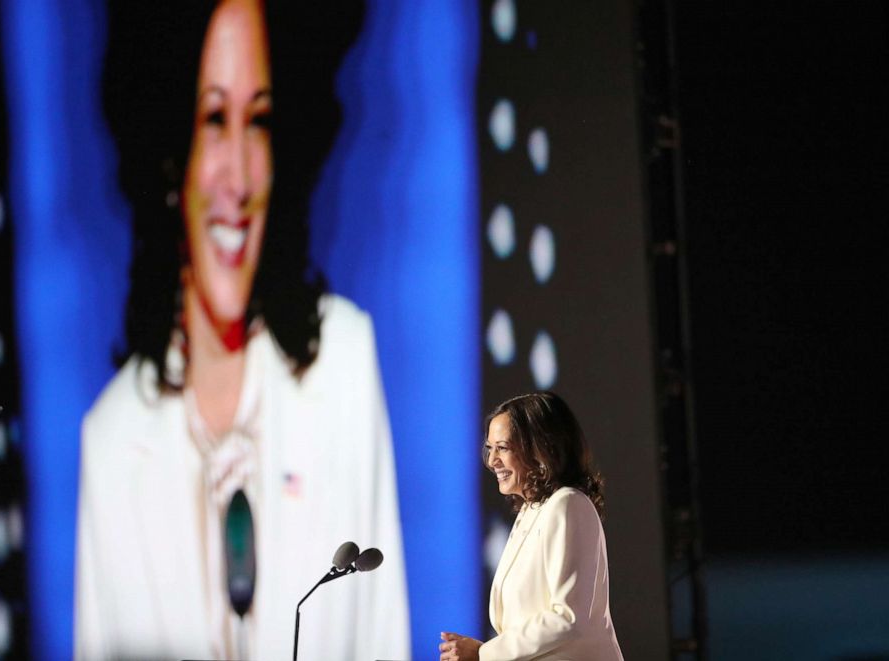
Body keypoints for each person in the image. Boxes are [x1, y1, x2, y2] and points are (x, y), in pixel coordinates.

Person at [75, 1, 409, 659]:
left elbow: (383, 637)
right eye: (212, 119)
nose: (238, 175)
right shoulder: (109, 439)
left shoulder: (344, 361)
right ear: (169, 153)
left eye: (257, 121)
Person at [440, 392, 623, 661]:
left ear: (539, 448)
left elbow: (568, 617)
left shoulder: (568, 504)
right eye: (489, 449)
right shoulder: (531, 511)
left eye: (502, 447)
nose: (492, 461)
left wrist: (483, 653)